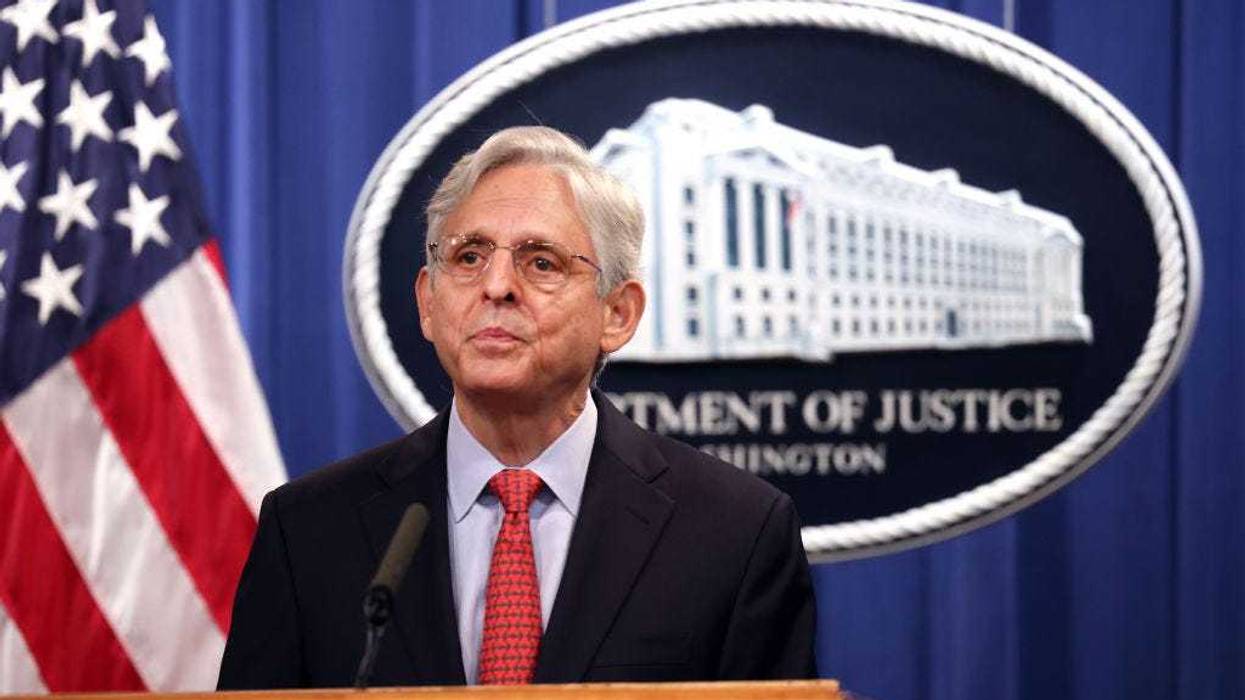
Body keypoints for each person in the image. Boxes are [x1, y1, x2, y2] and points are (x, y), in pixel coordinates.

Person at [217, 126, 817, 688]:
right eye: (469, 256)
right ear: (428, 303)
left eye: (541, 262)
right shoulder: (309, 532)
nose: (496, 285)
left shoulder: (734, 531)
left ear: (618, 314)